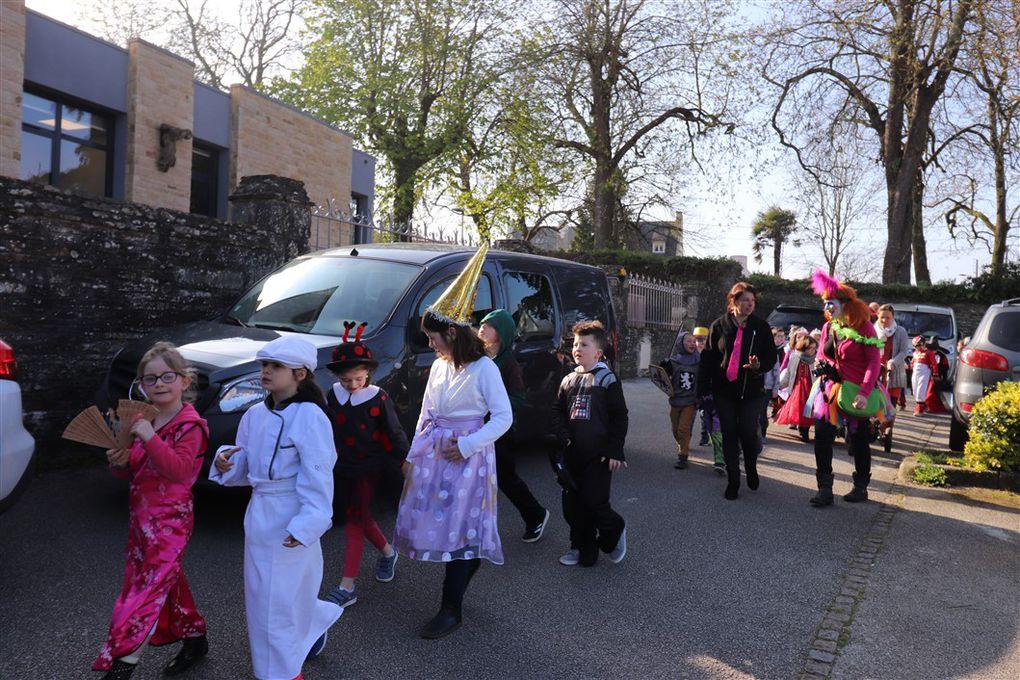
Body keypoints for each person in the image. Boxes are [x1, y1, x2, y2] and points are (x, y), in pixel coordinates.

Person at [393, 244, 513, 640]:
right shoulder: (440, 368)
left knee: (460, 532)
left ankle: (450, 609)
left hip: (468, 461)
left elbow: (503, 417)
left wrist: (466, 445)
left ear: (450, 332)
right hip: (436, 459)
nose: (430, 346)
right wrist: (412, 455)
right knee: (443, 529)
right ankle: (467, 565)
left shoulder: (484, 370)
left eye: (432, 339)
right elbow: (427, 413)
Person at [209, 336, 341, 680]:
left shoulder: (311, 417)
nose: (266, 371)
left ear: (300, 373)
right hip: (259, 518)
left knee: (274, 606)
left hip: (292, 519)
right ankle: (310, 627)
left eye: (275, 366)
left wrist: (309, 523)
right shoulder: (254, 414)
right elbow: (248, 464)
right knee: (270, 598)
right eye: (264, 365)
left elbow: (318, 473)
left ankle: (281, 674)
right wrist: (228, 464)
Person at [94, 343, 210, 680]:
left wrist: (147, 436)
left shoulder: (192, 426)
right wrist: (118, 462)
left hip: (170, 521)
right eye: (150, 379)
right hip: (141, 519)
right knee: (165, 581)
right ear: (142, 385)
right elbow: (132, 470)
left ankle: (123, 665)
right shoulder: (142, 419)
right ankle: (195, 639)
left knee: (146, 589)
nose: (158, 384)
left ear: (184, 382)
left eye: (167, 376)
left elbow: (178, 471)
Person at [323, 322, 410, 609]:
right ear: (338, 376)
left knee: (354, 522)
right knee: (357, 515)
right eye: (347, 380)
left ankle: (347, 586)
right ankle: (388, 553)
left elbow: (394, 432)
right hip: (341, 466)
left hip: (370, 467)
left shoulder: (379, 397)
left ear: (368, 374)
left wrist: (406, 460)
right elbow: (325, 428)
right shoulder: (333, 394)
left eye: (359, 379)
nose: (353, 385)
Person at [554, 320, 629, 567]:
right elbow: (557, 412)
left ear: (598, 352)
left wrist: (615, 449)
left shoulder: (606, 379)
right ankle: (582, 549)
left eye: (584, 344)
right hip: (572, 455)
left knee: (594, 502)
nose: (577, 348)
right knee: (572, 506)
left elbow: (619, 416)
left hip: (599, 456)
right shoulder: (567, 380)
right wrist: (562, 434)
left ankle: (614, 530)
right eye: (575, 343)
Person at [807, 270, 885, 506]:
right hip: (830, 389)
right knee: (822, 435)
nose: (828, 309)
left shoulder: (864, 328)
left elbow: (874, 363)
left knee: (859, 439)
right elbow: (822, 353)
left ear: (844, 304)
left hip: (857, 389)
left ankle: (860, 487)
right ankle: (824, 488)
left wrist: (864, 393)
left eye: (832, 304)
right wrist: (824, 365)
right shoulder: (827, 327)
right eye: (826, 304)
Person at [696, 282, 778, 500]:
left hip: (752, 391)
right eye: (745, 301)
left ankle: (751, 466)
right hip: (725, 391)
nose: (749, 305)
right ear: (733, 302)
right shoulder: (719, 326)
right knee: (730, 433)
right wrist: (702, 388)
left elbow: (771, 356)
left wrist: (759, 366)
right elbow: (708, 359)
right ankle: (733, 480)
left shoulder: (760, 327)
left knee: (748, 432)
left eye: (752, 301)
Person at [478, 309, 550, 542]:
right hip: (479, 430)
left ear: (501, 334)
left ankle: (536, 515)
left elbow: (518, 397)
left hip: (501, 432)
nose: (482, 328)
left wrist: (495, 406)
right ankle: (474, 527)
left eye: (488, 325)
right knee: (477, 478)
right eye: (481, 324)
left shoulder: (508, 364)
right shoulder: (478, 358)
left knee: (506, 479)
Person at [873, 305, 910, 446]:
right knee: (875, 401)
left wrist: (893, 362)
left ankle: (887, 429)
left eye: (888, 317)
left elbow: (904, 351)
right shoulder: (873, 330)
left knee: (891, 404)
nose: (884, 320)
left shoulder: (900, 331)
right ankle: (874, 426)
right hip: (876, 371)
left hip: (894, 372)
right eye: (882, 317)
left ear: (893, 317)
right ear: (878, 316)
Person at [666, 329, 700, 470]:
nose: (692, 343)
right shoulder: (673, 362)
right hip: (676, 399)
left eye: (694, 341)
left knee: (683, 429)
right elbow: (664, 377)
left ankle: (683, 456)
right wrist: (664, 366)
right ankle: (683, 444)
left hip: (690, 401)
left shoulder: (699, 361)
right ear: (681, 343)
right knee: (675, 429)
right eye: (688, 341)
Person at [774, 335, 818, 442]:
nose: (813, 351)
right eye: (810, 348)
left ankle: (805, 430)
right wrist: (778, 386)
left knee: (810, 410)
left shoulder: (815, 360)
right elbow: (788, 376)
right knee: (799, 409)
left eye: (814, 348)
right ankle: (802, 430)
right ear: (803, 347)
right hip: (797, 389)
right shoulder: (795, 358)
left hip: (811, 389)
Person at [692, 326, 711, 446]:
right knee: (690, 417)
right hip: (692, 392)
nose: (701, 342)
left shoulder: (710, 355)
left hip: (704, 391)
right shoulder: (690, 354)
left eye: (704, 339)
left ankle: (704, 438)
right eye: (699, 339)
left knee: (704, 415)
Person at [910, 335, 936, 415]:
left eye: (918, 345)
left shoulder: (929, 352)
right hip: (915, 373)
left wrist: (935, 373)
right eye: (914, 346)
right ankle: (924, 406)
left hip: (924, 373)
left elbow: (934, 363)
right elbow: (913, 363)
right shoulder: (914, 353)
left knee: (920, 390)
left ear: (923, 344)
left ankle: (919, 410)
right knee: (914, 390)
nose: (916, 347)